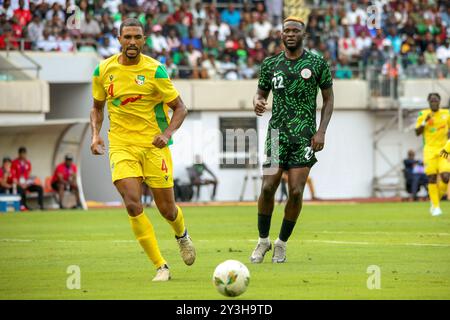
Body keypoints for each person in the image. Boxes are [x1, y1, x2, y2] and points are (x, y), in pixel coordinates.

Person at [90, 18, 195, 282]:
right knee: (132, 203)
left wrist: (167, 133)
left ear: (144, 39)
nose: (132, 42)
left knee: (167, 210)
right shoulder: (103, 70)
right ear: (119, 39)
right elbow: (97, 107)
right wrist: (94, 135)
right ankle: (161, 266)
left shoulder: (155, 71)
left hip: (153, 146)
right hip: (122, 145)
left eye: (137, 37)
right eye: (127, 37)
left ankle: (181, 235)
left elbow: (180, 107)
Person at [250, 17, 334, 263]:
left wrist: (321, 132)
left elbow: (329, 99)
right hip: (277, 135)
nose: (290, 34)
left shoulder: (317, 63)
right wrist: (257, 101)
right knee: (267, 188)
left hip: (304, 136)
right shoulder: (270, 64)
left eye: (295, 30)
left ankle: (281, 243)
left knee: (296, 192)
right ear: (280, 34)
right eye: (286, 30)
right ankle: (263, 240)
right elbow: (261, 92)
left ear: (303, 35)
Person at [415, 93, 450, 216]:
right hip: (429, 150)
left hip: (444, 150)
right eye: (431, 101)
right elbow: (417, 132)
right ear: (428, 102)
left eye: (436, 101)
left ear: (440, 102)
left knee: (446, 176)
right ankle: (435, 206)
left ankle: (436, 200)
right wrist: (425, 122)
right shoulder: (423, 114)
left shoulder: (447, 114)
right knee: (432, 178)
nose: (434, 103)